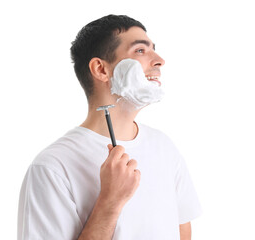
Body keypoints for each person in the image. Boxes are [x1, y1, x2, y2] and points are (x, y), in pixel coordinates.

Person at [17, 14, 202, 240]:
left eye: (154, 49)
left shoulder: (164, 147)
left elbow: (182, 230)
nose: (160, 60)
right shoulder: (52, 167)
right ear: (101, 70)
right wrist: (110, 202)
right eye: (141, 51)